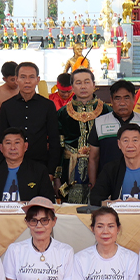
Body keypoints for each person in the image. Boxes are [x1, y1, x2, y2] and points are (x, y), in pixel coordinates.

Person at [88, 80, 140, 184]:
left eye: (126, 98)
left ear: (134, 99)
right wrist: (93, 185)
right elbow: (93, 158)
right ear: (111, 100)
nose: (122, 103)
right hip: (108, 183)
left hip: (139, 182)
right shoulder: (100, 122)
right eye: (117, 98)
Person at [0, 62, 61, 177]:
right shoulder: (7, 106)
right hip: (12, 165)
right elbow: (1, 138)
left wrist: (51, 171)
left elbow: (54, 139)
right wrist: (0, 168)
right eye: (23, 77)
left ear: (37, 80)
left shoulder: (47, 105)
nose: (27, 81)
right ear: (16, 79)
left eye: (31, 77)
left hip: (40, 165)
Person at [57, 68, 109, 203]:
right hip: (70, 168)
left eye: (87, 82)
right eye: (78, 83)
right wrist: (57, 177)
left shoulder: (107, 112)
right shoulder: (62, 113)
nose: (83, 86)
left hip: (101, 167)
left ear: (94, 84)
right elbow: (58, 148)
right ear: (72, 86)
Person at [91, 123, 140, 204]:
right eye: (125, 141)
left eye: (135, 140)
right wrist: (113, 203)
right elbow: (95, 197)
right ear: (119, 144)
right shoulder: (111, 169)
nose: (130, 145)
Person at [0, 128, 56, 202]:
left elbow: (48, 203)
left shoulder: (39, 171)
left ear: (25, 146)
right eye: (8, 143)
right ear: (1, 148)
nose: (13, 147)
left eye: (17, 143)